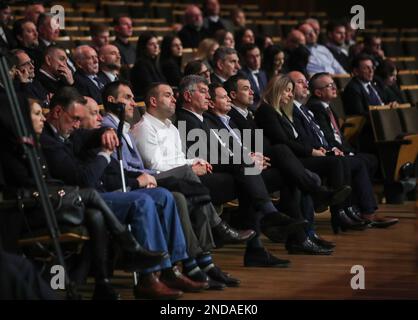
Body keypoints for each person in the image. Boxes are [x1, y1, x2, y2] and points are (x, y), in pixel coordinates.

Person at [39, 87, 208, 299]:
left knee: (164, 195)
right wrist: (105, 153)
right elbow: (84, 180)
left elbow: (87, 135)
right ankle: (148, 277)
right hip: (82, 198)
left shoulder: (70, 133)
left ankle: (170, 268)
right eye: (74, 119)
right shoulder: (48, 141)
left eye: (79, 119)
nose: (77, 125)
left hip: (101, 193)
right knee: (142, 201)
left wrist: (105, 132)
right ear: (56, 113)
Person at [99, 82, 252, 288]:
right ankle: (216, 234)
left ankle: (202, 264)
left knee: (192, 195)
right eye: (168, 95)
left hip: (168, 179)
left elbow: (181, 158)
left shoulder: (171, 127)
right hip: (154, 179)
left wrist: (193, 162)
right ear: (153, 101)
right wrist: (188, 167)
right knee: (210, 182)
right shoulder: (142, 127)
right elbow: (153, 165)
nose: (174, 100)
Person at [167, 75, 308, 267]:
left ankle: (282, 235)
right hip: (203, 180)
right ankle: (266, 225)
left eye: (208, 92)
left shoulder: (203, 119)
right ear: (188, 96)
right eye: (202, 91)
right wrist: (244, 160)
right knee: (248, 175)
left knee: (279, 175)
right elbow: (204, 161)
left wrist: (248, 157)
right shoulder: (186, 120)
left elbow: (230, 149)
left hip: (229, 172)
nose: (208, 96)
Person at [305, 72, 399, 228]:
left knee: (370, 159)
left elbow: (338, 136)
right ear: (318, 92)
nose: (334, 87)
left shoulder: (327, 107)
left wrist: (349, 151)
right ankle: (366, 212)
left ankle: (357, 208)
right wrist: (345, 152)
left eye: (333, 83)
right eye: (329, 85)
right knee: (359, 163)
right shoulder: (315, 107)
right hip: (325, 155)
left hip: (336, 151)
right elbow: (326, 138)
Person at [130, 32, 166, 99]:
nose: (156, 46)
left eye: (157, 43)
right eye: (151, 44)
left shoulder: (155, 63)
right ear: (143, 47)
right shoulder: (140, 65)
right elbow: (150, 88)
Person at [239, 43, 267, 111]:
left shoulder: (263, 73)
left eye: (257, 56)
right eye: (252, 57)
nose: (256, 60)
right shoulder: (241, 74)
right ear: (245, 59)